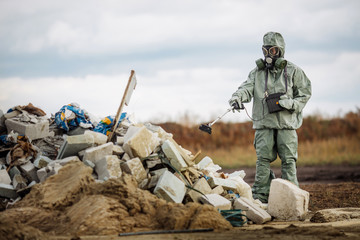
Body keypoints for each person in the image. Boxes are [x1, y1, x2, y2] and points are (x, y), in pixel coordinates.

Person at [229, 32, 312, 203]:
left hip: (287, 124)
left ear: (281, 51)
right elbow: (245, 88)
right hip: (263, 124)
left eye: (273, 50)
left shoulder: (294, 71)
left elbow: (304, 94)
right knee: (263, 161)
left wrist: (290, 104)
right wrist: (237, 98)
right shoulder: (256, 73)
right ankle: (261, 197)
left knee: (289, 160)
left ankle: (291, 197)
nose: (269, 54)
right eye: (266, 50)